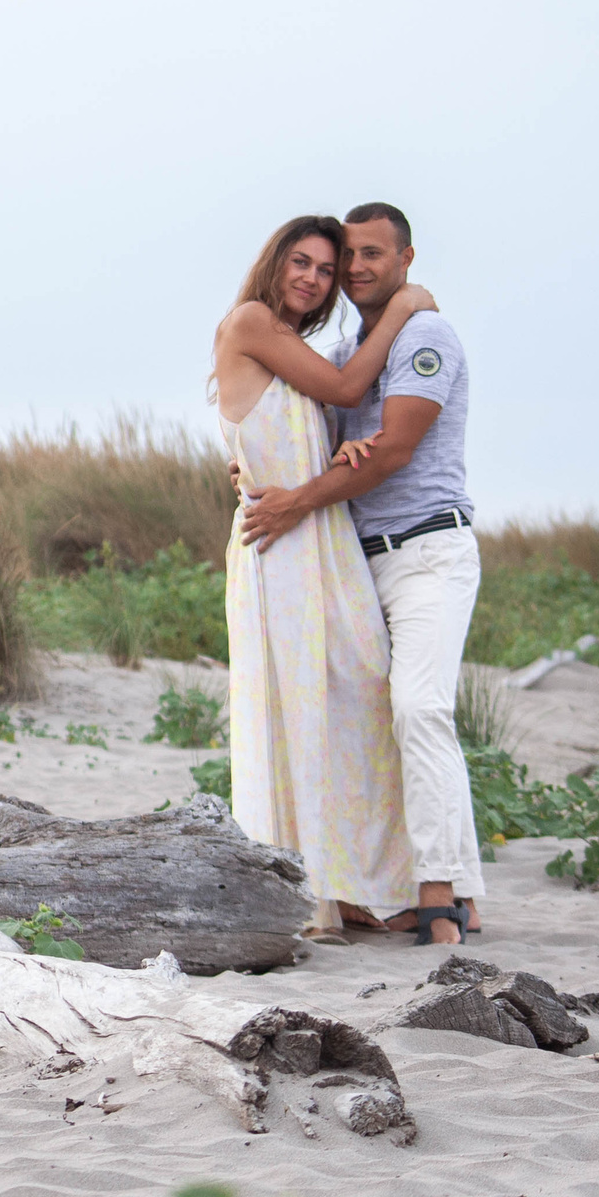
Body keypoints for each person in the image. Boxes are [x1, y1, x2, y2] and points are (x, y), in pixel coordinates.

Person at [240, 202, 482, 945]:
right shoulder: (351, 346)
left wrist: (299, 499)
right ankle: (449, 888)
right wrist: (253, 461)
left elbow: (395, 447)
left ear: (406, 259)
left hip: (427, 554)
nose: (354, 269)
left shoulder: (425, 335)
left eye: (373, 254)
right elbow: (318, 430)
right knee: (379, 721)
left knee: (419, 709)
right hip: (353, 560)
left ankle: (439, 892)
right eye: (348, 257)